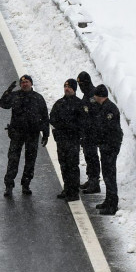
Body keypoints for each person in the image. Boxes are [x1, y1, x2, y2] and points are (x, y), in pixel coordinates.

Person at [0, 74, 49, 197]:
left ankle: (26, 185)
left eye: (27, 82)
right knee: (13, 160)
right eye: (22, 83)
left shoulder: (38, 98)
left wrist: (46, 134)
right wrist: (8, 91)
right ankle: (9, 186)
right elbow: (3, 104)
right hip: (17, 133)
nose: (24, 84)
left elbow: (44, 117)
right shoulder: (15, 95)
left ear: (31, 84)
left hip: (32, 134)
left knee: (30, 160)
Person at [49, 79, 85, 201]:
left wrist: (72, 129)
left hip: (73, 140)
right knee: (63, 165)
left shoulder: (80, 104)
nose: (67, 89)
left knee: (72, 165)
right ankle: (67, 188)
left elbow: (83, 122)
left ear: (74, 89)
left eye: (69, 87)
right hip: (61, 140)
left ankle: (74, 192)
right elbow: (52, 118)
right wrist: (59, 129)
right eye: (65, 86)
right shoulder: (59, 103)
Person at [92, 85, 123, 215]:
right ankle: (108, 200)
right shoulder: (103, 107)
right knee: (106, 174)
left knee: (110, 175)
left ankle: (112, 204)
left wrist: (103, 142)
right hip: (106, 146)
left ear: (99, 96)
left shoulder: (109, 109)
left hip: (110, 147)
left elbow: (108, 130)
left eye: (95, 95)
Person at [77, 71, 101, 193]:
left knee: (92, 157)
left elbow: (95, 114)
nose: (80, 87)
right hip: (86, 133)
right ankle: (91, 178)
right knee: (88, 156)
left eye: (81, 84)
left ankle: (94, 181)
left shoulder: (93, 94)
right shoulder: (87, 95)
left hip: (92, 133)